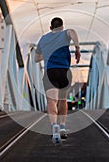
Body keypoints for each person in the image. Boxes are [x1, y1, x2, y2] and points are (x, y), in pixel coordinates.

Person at [34, 17, 81, 146]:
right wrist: (77, 48)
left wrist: (47, 52)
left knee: (51, 101)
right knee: (62, 100)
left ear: (50, 28)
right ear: (62, 26)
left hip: (50, 72)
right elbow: (72, 31)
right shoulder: (65, 33)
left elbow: (36, 59)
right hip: (64, 72)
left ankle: (54, 127)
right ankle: (62, 127)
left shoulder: (43, 39)